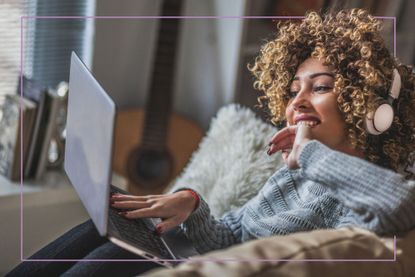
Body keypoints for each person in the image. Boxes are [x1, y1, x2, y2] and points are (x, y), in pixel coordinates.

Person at [8, 8, 415, 277]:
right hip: (198, 256)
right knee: (111, 220)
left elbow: (400, 207)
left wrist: (308, 154)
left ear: (367, 106)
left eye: (320, 87)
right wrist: (193, 207)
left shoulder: (348, 185)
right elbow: (236, 235)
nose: (298, 101)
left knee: (117, 253)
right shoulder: (291, 175)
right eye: (292, 91)